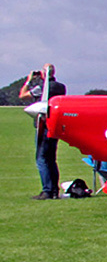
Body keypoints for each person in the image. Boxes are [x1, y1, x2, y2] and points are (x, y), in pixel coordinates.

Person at [19, 64, 66, 199]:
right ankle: (54, 190)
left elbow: (23, 96)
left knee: (42, 158)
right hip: (55, 126)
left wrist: (28, 81)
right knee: (52, 158)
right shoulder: (60, 87)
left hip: (43, 126)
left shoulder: (42, 89)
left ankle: (47, 190)